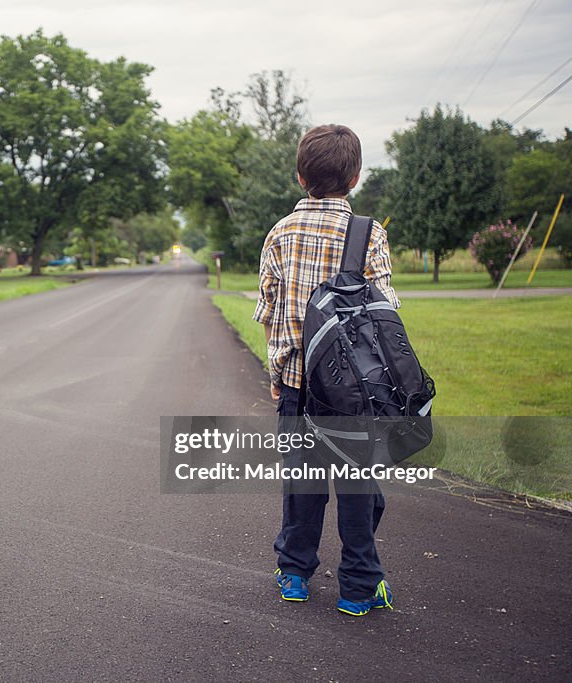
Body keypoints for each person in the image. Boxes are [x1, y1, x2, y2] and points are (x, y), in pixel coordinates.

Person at [252, 124, 400, 617]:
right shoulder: (367, 233)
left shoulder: (279, 233)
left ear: (300, 177)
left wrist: (277, 375)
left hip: (297, 387)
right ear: (355, 177)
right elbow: (386, 311)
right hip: (354, 392)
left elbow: (272, 312)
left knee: (302, 484)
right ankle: (358, 588)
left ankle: (293, 573)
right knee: (359, 489)